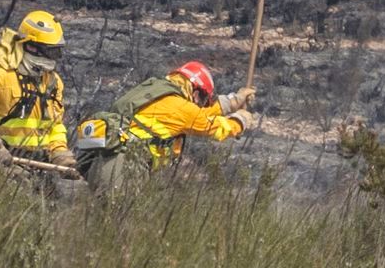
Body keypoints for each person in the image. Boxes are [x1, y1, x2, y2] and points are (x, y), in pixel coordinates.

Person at [74, 61, 257, 195]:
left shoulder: (160, 93)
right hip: (122, 170)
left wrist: (234, 101)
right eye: (202, 99)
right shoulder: (179, 106)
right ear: (195, 91)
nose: (202, 104)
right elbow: (210, 126)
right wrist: (239, 121)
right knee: (120, 231)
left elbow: (196, 112)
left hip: (108, 163)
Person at [0, 10, 78, 173]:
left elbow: (54, 125)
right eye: (50, 50)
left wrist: (59, 152)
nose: (55, 57)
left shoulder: (53, 83)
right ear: (31, 47)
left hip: (37, 164)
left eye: (57, 51)